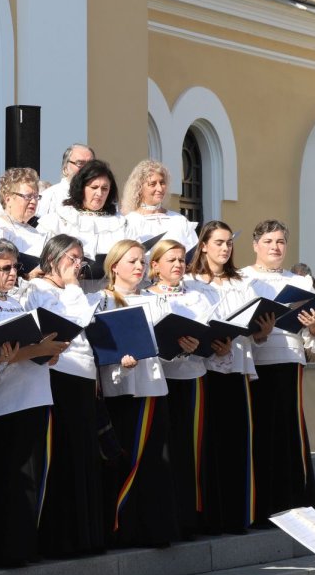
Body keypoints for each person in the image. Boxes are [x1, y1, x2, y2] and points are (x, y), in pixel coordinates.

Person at [0, 238, 66, 566]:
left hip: (29, 396)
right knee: (1, 478)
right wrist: (35, 350)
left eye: (16, 267)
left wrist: (45, 352)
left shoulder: (18, 302)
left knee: (27, 476)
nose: (12, 274)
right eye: (5, 268)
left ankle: (22, 546)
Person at [27, 234, 108, 557]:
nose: (78, 265)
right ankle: (61, 539)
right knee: (63, 453)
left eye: (81, 260)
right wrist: (74, 287)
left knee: (84, 454)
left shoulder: (75, 292)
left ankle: (86, 536)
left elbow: (86, 328)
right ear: (52, 259)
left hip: (83, 374)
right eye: (71, 258)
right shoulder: (37, 290)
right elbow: (70, 321)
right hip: (58, 374)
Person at [239, 219, 315, 520]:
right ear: (255, 245)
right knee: (261, 432)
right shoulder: (243, 279)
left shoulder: (300, 281)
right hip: (257, 363)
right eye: (269, 242)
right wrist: (259, 333)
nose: (275, 247)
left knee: (290, 432)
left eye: (280, 242)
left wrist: (314, 325)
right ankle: (263, 506)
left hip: (289, 359)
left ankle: (294, 502)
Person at [96, 239, 178, 549]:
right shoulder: (101, 301)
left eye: (142, 262)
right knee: (124, 458)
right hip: (122, 393)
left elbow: (162, 348)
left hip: (153, 387)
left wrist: (179, 346)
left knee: (154, 460)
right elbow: (100, 347)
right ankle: (122, 528)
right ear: (114, 266)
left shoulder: (154, 300)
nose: (139, 267)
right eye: (132, 261)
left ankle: (153, 528)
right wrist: (121, 364)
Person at [185, 220, 258, 533]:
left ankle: (235, 515)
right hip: (203, 370)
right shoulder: (190, 282)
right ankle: (208, 517)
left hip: (234, 367)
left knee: (235, 443)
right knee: (206, 445)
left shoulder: (241, 282)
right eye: (218, 242)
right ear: (203, 245)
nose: (225, 248)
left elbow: (250, 325)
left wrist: (257, 330)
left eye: (229, 242)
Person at [143, 238, 211, 539]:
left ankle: (189, 518)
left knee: (189, 449)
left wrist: (200, 343)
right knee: (163, 449)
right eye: (171, 259)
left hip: (191, 377)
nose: (178, 265)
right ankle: (163, 517)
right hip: (158, 380)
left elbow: (211, 334)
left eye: (182, 259)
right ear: (154, 266)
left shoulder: (197, 297)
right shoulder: (143, 297)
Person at [49, 159, 127, 268]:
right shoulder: (62, 218)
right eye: (94, 187)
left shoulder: (121, 223)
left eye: (104, 189)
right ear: (81, 187)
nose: (99, 193)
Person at [120, 160, 198, 252]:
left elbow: (194, 257)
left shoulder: (179, 220)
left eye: (162, 183)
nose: (160, 189)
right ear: (139, 187)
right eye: (152, 184)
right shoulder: (130, 222)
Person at [0, 166, 44, 260]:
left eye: (36, 196)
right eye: (28, 196)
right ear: (8, 199)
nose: (33, 201)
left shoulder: (36, 232)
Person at [35, 143, 94, 227]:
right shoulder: (49, 197)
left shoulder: (103, 197)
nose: (87, 169)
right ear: (65, 168)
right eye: (80, 163)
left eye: (91, 164)